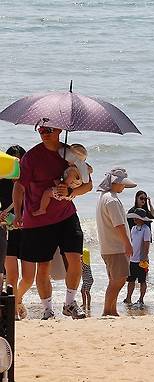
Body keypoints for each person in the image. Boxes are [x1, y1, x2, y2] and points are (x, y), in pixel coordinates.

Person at [13, 124, 92, 320]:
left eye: (49, 130)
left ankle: (70, 303)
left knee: (76, 259)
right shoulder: (31, 157)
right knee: (44, 267)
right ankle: (47, 309)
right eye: (41, 130)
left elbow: (88, 186)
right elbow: (19, 187)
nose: (45, 134)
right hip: (38, 220)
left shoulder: (71, 154)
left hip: (66, 215)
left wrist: (71, 192)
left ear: (59, 130)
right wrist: (17, 213)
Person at [96, 167, 137, 316]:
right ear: (114, 182)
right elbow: (118, 224)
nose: (124, 186)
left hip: (108, 246)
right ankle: (108, 310)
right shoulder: (111, 200)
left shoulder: (104, 197)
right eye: (122, 183)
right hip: (115, 247)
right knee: (118, 280)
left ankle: (112, 310)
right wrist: (127, 243)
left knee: (114, 279)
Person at [0, 145, 26, 318]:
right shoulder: (1, 181)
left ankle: (17, 300)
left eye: (20, 160)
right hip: (6, 229)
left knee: (29, 276)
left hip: (26, 229)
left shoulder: (28, 181)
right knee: (12, 274)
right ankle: (13, 311)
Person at [32, 143, 91, 216]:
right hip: (71, 191)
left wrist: (58, 181)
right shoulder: (82, 169)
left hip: (64, 192)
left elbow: (64, 184)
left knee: (47, 193)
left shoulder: (72, 172)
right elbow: (89, 171)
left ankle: (42, 209)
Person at [124, 208, 152, 308]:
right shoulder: (133, 228)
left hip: (141, 259)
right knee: (131, 280)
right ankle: (128, 298)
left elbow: (146, 243)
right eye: (134, 218)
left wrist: (144, 257)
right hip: (132, 259)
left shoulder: (146, 229)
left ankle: (141, 299)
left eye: (137, 218)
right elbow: (131, 242)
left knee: (142, 281)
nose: (134, 219)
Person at [80, 248, 93, 312]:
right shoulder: (85, 263)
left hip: (89, 279)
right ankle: (84, 304)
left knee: (87, 292)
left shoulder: (85, 264)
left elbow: (81, 270)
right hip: (86, 280)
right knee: (82, 291)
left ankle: (88, 305)